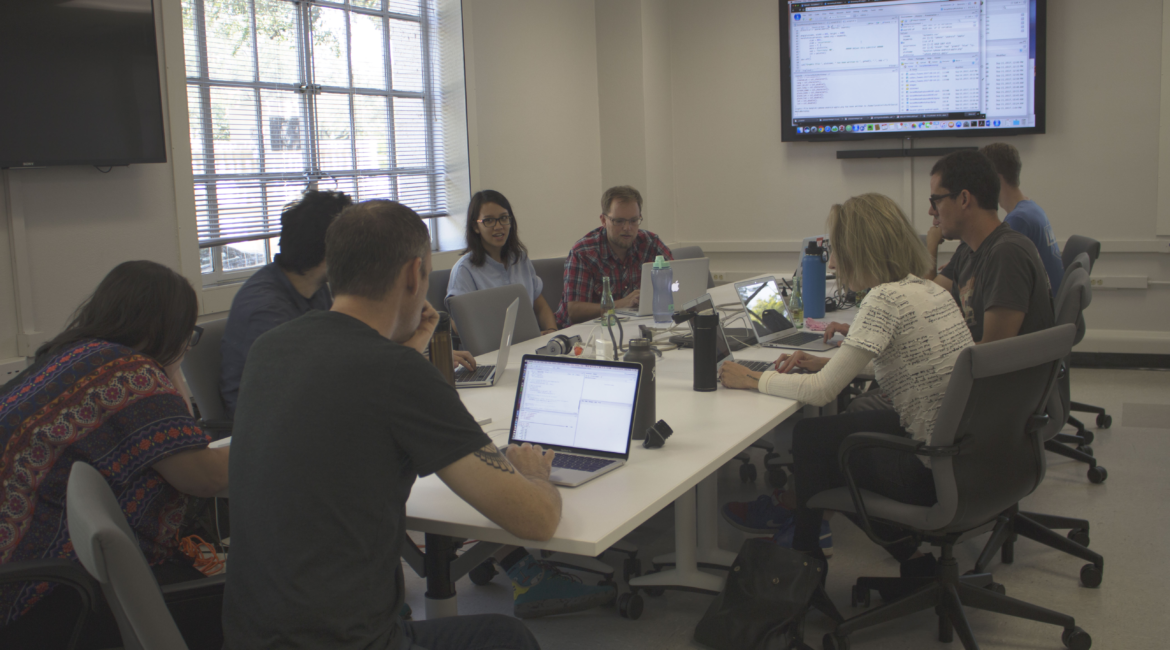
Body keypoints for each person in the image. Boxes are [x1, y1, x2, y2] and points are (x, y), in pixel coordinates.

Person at [222, 200, 570, 650]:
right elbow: (536, 520)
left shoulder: (272, 347)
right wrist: (535, 475)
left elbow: (353, 393)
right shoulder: (398, 375)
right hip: (348, 641)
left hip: (249, 636)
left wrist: (408, 352)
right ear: (413, 274)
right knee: (507, 638)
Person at [719, 193, 973, 576]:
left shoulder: (884, 299)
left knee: (813, 441)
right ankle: (885, 553)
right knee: (823, 436)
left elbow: (821, 392)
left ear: (862, 250)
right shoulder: (929, 289)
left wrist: (752, 378)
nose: (833, 263)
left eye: (837, 251)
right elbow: (907, 362)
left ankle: (802, 558)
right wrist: (830, 362)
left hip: (930, 469)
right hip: (967, 454)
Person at [0, 261, 230, 650]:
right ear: (167, 328)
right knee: (242, 598)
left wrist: (169, 362)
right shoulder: (129, 374)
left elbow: (180, 438)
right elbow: (203, 477)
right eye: (186, 334)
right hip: (49, 598)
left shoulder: (74, 355)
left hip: (25, 577)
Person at [220, 190, 473, 415]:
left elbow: (350, 358)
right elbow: (315, 391)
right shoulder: (265, 311)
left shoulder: (315, 288)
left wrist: (420, 354)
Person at [925, 150, 1055, 343]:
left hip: (998, 371)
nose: (931, 211)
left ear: (964, 199)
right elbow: (933, 304)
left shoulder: (1007, 254)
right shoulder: (968, 252)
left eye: (936, 201)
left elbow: (993, 356)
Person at [555, 186, 673, 327]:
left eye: (634, 220)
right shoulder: (584, 252)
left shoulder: (650, 243)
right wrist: (620, 304)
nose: (627, 228)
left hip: (632, 325)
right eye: (619, 221)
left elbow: (678, 281)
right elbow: (574, 311)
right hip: (584, 334)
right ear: (604, 220)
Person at [446, 190, 558, 334]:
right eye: (489, 220)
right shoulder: (464, 270)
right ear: (475, 226)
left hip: (527, 344)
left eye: (504, 218)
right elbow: (458, 324)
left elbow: (540, 307)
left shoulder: (520, 259)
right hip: (490, 352)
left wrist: (551, 331)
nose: (498, 226)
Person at [980, 142, 1064, 293]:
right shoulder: (1031, 208)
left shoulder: (1018, 219)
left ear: (995, 179)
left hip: (1043, 308)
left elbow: (997, 269)